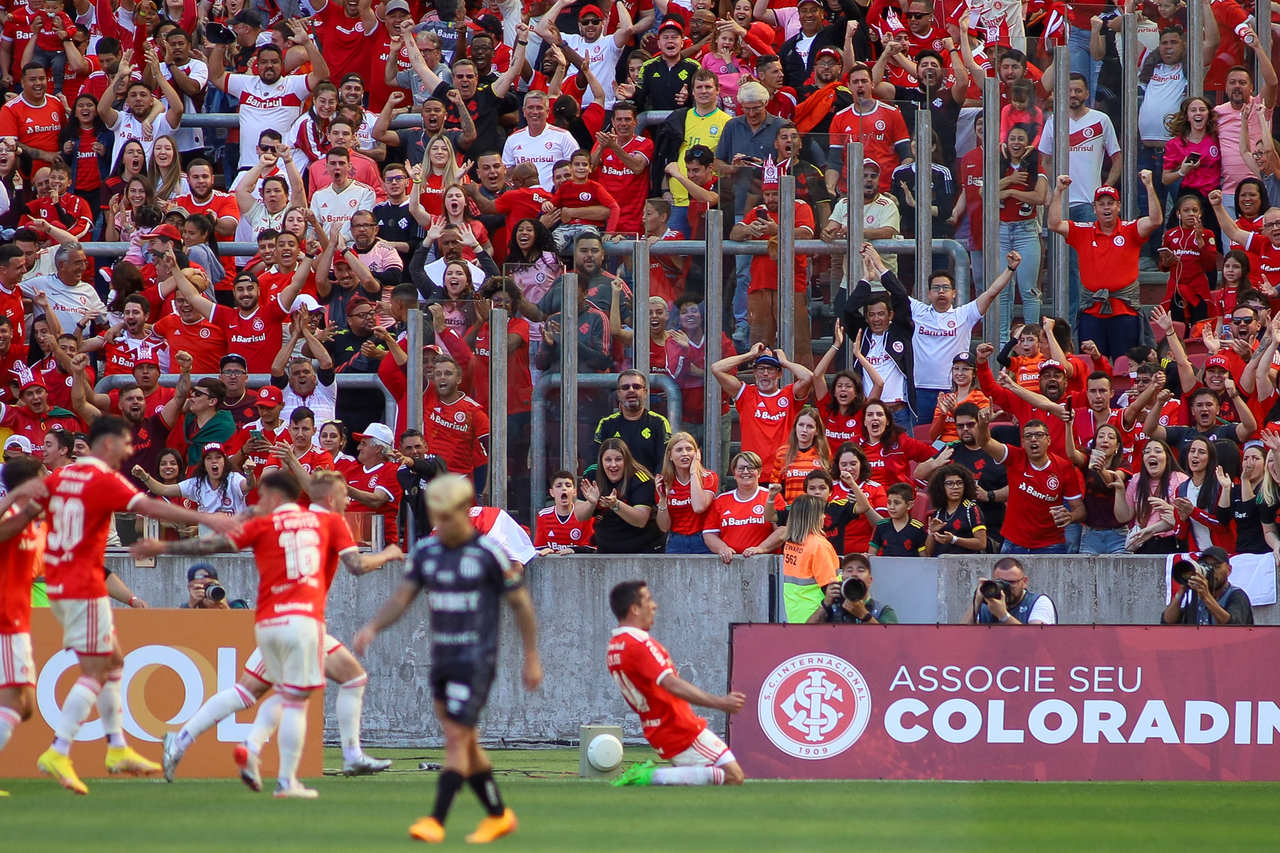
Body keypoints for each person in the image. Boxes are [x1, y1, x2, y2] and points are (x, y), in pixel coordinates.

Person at [22, 416, 235, 795]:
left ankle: (117, 748)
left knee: (114, 661)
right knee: (95, 668)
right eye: (124, 443)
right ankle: (58, 750)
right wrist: (205, 517)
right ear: (107, 444)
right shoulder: (103, 480)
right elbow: (154, 510)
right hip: (81, 583)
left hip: (63, 581)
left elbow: (23, 508)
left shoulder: (57, 479)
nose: (128, 449)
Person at [151, 470, 402, 784]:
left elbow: (219, 543)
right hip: (304, 621)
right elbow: (357, 565)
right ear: (329, 498)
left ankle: (184, 739)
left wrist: (164, 548)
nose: (348, 499)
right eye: (344, 494)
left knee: (248, 691)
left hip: (272, 620)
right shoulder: (328, 523)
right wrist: (390, 553)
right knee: (326, 686)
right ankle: (298, 765)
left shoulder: (272, 521)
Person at [353, 475, 541, 843]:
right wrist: (373, 627)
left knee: (456, 737)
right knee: (465, 740)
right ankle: (498, 815)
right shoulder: (427, 552)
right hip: (442, 658)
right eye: (436, 515)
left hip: (477, 659)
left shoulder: (489, 554)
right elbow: (403, 598)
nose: (441, 522)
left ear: (465, 512)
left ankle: (436, 819)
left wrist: (531, 656)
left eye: (448, 515)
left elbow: (521, 605)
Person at [606, 579, 746, 788]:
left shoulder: (615, 646)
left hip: (657, 726)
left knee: (712, 778)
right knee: (733, 776)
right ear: (634, 609)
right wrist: (720, 703)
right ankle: (651, 776)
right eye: (648, 600)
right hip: (677, 725)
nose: (654, 606)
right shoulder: (640, 644)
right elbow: (671, 684)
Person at [1046, 172, 1162, 359]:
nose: (1106, 208)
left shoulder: (1130, 229)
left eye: (1111, 203)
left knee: (1125, 365)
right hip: (1092, 312)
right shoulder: (1083, 231)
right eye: (1101, 204)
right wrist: (1058, 191)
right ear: (1094, 208)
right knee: (1091, 365)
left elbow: (1156, 220)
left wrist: (1149, 185)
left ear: (1119, 207)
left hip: (1124, 311)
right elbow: (1053, 224)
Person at [909, 253, 1020, 423]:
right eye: (936, 288)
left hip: (954, 390)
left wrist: (1010, 269)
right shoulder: (917, 311)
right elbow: (893, 288)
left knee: (955, 436)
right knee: (923, 439)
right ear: (928, 293)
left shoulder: (964, 314)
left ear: (954, 293)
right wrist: (874, 265)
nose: (941, 292)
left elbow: (991, 293)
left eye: (945, 288)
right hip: (920, 390)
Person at [975, 410, 1085, 554]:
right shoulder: (1014, 457)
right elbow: (984, 442)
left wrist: (1070, 516)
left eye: (1039, 435)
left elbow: (1080, 510)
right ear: (1023, 442)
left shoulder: (1063, 467)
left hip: (1050, 545)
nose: (1033, 439)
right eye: (1028, 436)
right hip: (1014, 542)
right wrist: (983, 425)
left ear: (1048, 440)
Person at [0, 456, 45, 794]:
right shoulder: (15, 515)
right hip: (5, 618)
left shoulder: (34, 519)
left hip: (18, 617)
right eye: (42, 474)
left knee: (25, 704)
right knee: (19, 702)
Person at [711, 344, 815, 483]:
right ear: (754, 372)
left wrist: (785, 362)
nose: (765, 373)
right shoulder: (746, 394)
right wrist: (750, 355)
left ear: (779, 373)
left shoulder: (789, 395)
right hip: (753, 473)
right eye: (761, 369)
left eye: (770, 369)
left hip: (784, 472)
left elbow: (808, 377)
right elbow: (716, 368)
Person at [843, 244, 917, 428]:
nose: (876, 319)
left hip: (898, 413)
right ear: (866, 317)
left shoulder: (900, 332)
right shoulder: (863, 334)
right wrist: (866, 280)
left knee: (902, 457)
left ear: (890, 315)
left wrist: (879, 266)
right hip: (870, 414)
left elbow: (900, 295)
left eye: (881, 314)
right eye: (871, 315)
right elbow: (848, 310)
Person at [576, 438, 665, 554]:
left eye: (618, 459)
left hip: (643, 550)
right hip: (607, 549)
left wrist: (616, 505)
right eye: (608, 460)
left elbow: (641, 520)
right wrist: (591, 503)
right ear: (601, 461)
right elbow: (579, 516)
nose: (613, 465)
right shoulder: (592, 474)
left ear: (626, 460)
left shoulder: (640, 478)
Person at [702, 451, 786, 562]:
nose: (745, 472)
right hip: (730, 564)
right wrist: (722, 548)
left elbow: (782, 530)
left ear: (759, 472)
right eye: (741, 468)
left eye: (750, 468)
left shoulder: (772, 497)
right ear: (734, 473)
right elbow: (709, 533)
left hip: (763, 564)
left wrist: (760, 548)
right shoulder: (721, 500)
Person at [593, 370, 672, 474]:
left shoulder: (659, 423)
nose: (631, 390)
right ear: (618, 393)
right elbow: (595, 462)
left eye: (636, 387)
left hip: (649, 487)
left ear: (645, 392)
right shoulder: (606, 424)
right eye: (625, 387)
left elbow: (664, 463)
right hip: (614, 488)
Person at [781, 493, 840, 622]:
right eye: (821, 513)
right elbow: (831, 589)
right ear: (812, 517)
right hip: (817, 613)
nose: (824, 516)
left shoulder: (790, 543)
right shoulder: (819, 545)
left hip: (795, 613)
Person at [1162, 546, 1255, 625]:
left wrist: (1206, 596)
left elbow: (1234, 626)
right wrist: (1182, 590)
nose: (1212, 571)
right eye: (1205, 565)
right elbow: (1168, 622)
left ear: (1229, 569)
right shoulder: (1197, 599)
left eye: (1216, 566)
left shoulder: (1236, 595)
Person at [964, 556, 1058, 625]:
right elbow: (961, 636)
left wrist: (1003, 615)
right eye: (1000, 582)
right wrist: (977, 602)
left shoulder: (1039, 602)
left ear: (1024, 582)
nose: (1005, 588)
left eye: (1011, 582)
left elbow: (1036, 641)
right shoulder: (988, 605)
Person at [807, 553, 898, 624]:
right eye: (849, 570)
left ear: (870, 580)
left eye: (860, 570)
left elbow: (892, 643)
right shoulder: (832, 607)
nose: (854, 574)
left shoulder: (882, 611)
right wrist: (825, 605)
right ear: (842, 578)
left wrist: (864, 615)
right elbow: (805, 635)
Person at [535, 470, 596, 555]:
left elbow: (592, 548)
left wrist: (573, 550)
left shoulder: (584, 515)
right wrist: (545, 551)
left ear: (574, 491)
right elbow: (538, 547)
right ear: (551, 492)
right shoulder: (543, 516)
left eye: (568, 485)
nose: (564, 488)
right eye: (559, 486)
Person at [868, 482, 926, 557]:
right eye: (889, 503)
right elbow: (871, 555)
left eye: (897, 503)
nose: (891, 507)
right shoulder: (881, 526)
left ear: (909, 505)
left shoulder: (917, 528)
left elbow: (924, 558)